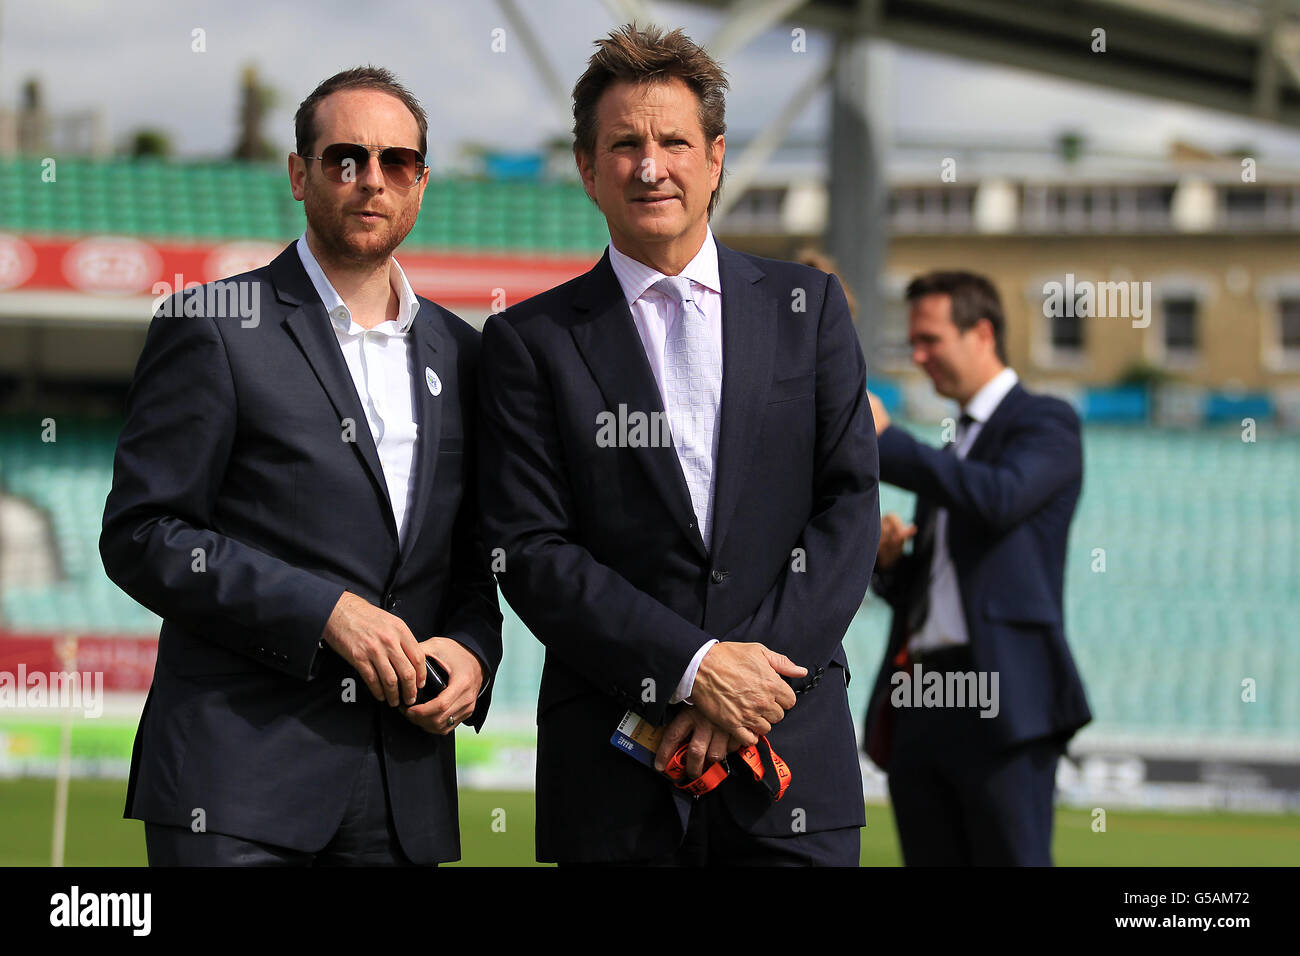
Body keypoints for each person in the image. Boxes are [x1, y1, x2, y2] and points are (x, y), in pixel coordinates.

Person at [478, 24, 880, 866]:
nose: (650, 165)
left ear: (716, 157)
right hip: (617, 774)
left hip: (789, 761)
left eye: (673, 141)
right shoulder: (529, 341)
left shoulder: (810, 310)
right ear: (588, 169)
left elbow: (848, 513)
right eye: (624, 144)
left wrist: (746, 692)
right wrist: (693, 668)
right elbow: (531, 550)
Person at [100, 67, 502, 866]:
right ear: (299, 173)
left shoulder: (465, 355)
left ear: (421, 185)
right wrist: (323, 611)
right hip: (236, 784)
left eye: (399, 162)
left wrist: (473, 652)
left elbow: (470, 562)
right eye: (345, 158)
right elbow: (142, 533)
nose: (371, 180)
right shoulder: (212, 326)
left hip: (404, 795)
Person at [862, 270, 1091, 866]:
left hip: (1001, 697)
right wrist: (891, 567)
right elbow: (942, 590)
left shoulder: (1046, 422)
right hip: (921, 698)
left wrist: (885, 441)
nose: (917, 355)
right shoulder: (951, 451)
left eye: (930, 339)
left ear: (982, 333)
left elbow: (1000, 498)